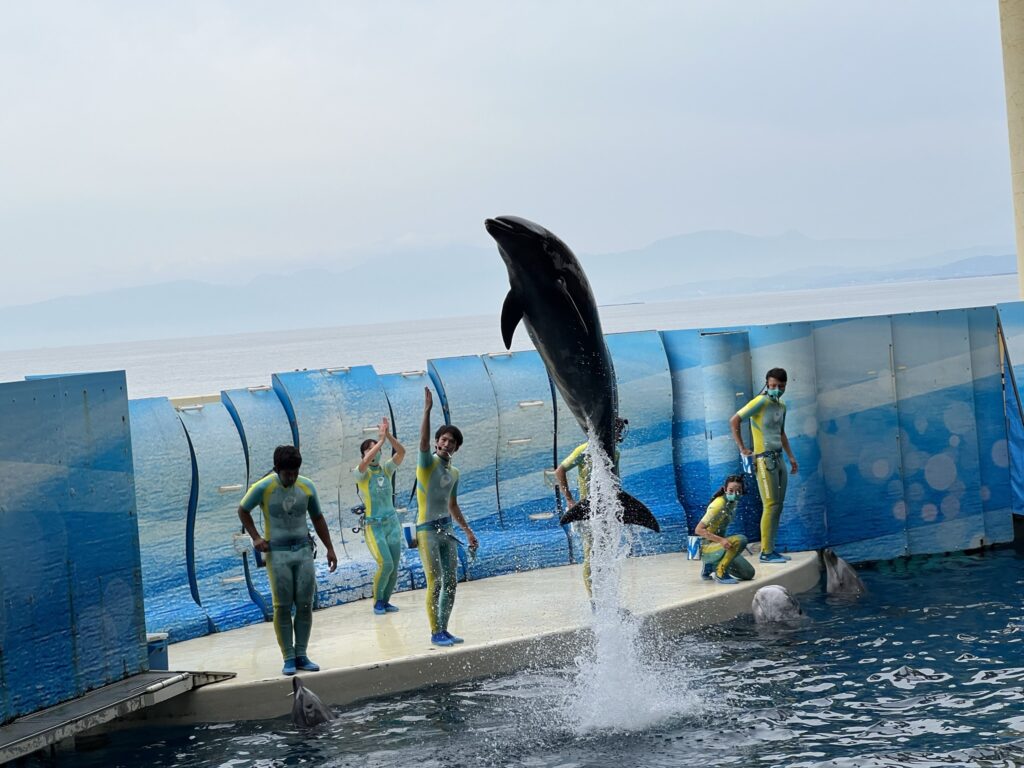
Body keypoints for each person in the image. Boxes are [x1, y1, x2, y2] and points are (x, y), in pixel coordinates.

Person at [237, 446, 338, 676]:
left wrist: (330, 548)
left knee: (304, 602)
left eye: (294, 472)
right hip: (278, 553)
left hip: (303, 550)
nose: (291, 478)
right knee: (282, 605)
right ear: (277, 469)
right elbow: (243, 510)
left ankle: (301, 653)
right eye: (287, 474)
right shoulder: (263, 487)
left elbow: (318, 517)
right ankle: (288, 657)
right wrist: (255, 537)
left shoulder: (306, 486)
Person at [417, 387, 478, 647]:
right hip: (427, 531)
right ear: (436, 442)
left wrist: (467, 531)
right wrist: (427, 411)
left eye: (452, 441)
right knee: (436, 580)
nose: (446, 443)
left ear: (457, 447)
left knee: (452, 581)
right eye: (443, 439)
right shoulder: (427, 463)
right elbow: (421, 443)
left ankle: (444, 628)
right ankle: (435, 631)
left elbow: (452, 504)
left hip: (447, 529)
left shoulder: (454, 473)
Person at [729, 367, 799, 564]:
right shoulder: (760, 402)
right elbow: (734, 420)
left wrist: (791, 457)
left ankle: (772, 549)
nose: (776, 389)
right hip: (763, 460)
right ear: (767, 384)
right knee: (770, 505)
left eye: (780, 386)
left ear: (785, 385)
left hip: (779, 460)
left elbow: (781, 433)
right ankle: (766, 552)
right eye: (773, 385)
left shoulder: (782, 406)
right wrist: (742, 447)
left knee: (778, 506)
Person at [553, 417, 627, 599]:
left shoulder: (614, 453)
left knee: (607, 551)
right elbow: (559, 470)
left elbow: (615, 481)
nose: (618, 434)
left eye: (619, 430)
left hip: (605, 509)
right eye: (616, 430)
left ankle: (606, 594)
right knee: (591, 553)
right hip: (588, 510)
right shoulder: (584, 450)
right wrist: (570, 500)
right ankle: (593, 598)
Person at [354, 416, 406, 615]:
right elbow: (365, 462)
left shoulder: (386, 469)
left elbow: (401, 452)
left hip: (391, 523)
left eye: (375, 448)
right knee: (386, 564)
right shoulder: (361, 473)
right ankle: (377, 601)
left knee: (394, 566)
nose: (372, 453)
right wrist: (381, 441)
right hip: (374, 526)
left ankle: (385, 601)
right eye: (368, 449)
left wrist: (388, 436)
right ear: (363, 454)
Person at [695, 474, 755, 584]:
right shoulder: (718, 504)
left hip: (717, 547)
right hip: (706, 548)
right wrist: (721, 540)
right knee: (741, 540)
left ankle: (711, 566)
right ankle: (720, 572)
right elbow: (698, 530)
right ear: (725, 489)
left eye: (738, 491)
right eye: (731, 490)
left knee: (748, 573)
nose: (735, 494)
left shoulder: (733, 502)